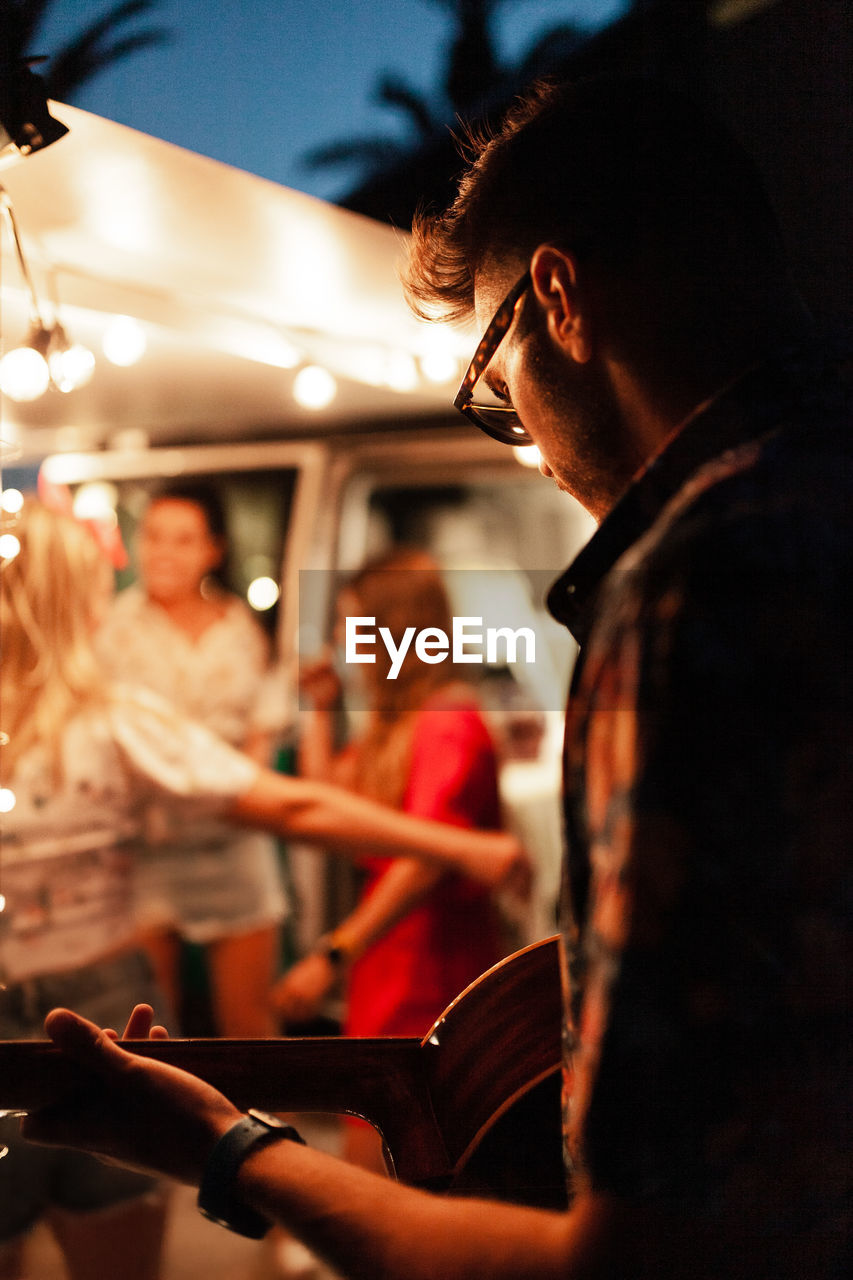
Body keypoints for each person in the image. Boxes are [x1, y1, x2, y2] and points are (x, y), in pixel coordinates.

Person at [20, 76, 851, 1279]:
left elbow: (652, 1256)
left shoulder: (703, 579)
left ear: (557, 296)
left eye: (492, 381)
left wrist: (222, 1143)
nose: (519, 433)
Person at [0, 500, 526, 1280]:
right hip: (99, 1001)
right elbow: (297, 802)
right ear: (68, 601)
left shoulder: (142, 698)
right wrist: (463, 847)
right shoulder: (110, 720)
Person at [272, 549, 505, 1173]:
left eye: (356, 626)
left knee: (387, 1152)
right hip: (392, 956)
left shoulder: (448, 721)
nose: (347, 644)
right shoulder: (397, 724)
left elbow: (427, 859)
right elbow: (328, 810)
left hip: (428, 965)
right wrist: (320, 710)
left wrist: (334, 952)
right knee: (383, 1143)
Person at [96, 482, 286, 1037]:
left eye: (182, 540)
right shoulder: (111, 629)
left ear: (213, 550)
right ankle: (164, 1122)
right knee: (149, 1023)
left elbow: (262, 728)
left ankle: (261, 1123)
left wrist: (246, 793)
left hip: (235, 836)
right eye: (152, 536)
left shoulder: (243, 628)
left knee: (249, 1022)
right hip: (147, 845)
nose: (163, 553)